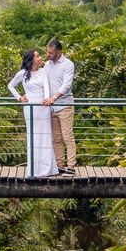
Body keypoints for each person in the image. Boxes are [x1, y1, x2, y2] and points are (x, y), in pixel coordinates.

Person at [7, 49, 59, 178]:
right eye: (37, 56)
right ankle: (34, 169)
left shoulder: (43, 72)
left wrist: (47, 99)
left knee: (45, 135)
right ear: (31, 60)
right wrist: (19, 98)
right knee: (33, 136)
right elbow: (10, 86)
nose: (40, 58)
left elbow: (46, 87)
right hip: (30, 108)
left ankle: (48, 168)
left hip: (43, 108)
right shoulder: (23, 73)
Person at [42, 38, 76, 174]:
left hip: (65, 106)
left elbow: (66, 85)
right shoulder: (47, 65)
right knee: (56, 138)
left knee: (68, 136)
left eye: (50, 52)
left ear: (59, 52)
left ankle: (71, 166)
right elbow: (43, 83)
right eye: (47, 52)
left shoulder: (68, 65)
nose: (48, 55)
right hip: (51, 107)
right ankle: (60, 165)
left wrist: (54, 98)